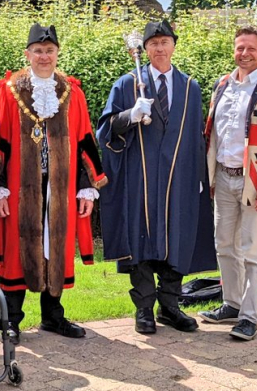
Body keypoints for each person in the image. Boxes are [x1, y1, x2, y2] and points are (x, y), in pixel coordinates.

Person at [0, 23, 108, 345]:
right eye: (38, 51)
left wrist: (88, 186)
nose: (44, 56)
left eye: (49, 51)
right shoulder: (10, 90)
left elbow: (84, 140)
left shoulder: (71, 92)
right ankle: (10, 320)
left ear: (57, 53)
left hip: (60, 187)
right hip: (19, 184)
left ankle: (53, 317)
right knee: (17, 249)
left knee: (55, 248)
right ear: (27, 54)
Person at [97, 20, 216, 335]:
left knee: (177, 238)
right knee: (143, 240)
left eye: (165, 42)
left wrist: (200, 176)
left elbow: (195, 137)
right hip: (142, 178)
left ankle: (170, 307)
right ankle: (144, 310)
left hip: (179, 178)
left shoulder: (191, 87)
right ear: (145, 49)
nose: (159, 48)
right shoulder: (127, 85)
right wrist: (129, 116)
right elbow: (106, 131)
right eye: (153, 43)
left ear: (174, 45)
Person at [198, 25, 257, 341]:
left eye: (251, 48)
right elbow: (211, 134)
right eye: (240, 47)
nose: (244, 53)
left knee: (253, 251)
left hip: (256, 183)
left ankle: (249, 317)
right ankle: (232, 304)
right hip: (224, 177)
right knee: (224, 245)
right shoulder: (221, 85)